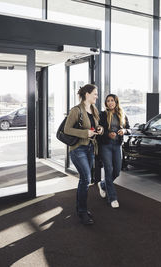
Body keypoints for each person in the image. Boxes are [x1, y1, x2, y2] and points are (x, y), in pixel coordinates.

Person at [64, 84, 103, 225]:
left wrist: (99, 129)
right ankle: (82, 212)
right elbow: (66, 129)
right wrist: (84, 133)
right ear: (87, 94)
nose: (97, 96)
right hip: (78, 148)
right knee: (86, 179)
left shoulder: (94, 109)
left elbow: (97, 125)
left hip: (90, 148)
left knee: (85, 180)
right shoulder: (76, 110)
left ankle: (81, 209)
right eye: (95, 93)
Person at [98, 94, 131, 208]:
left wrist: (124, 131)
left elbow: (129, 129)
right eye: (108, 101)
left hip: (117, 145)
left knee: (116, 171)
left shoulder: (122, 114)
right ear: (106, 103)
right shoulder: (102, 115)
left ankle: (102, 184)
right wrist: (108, 134)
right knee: (109, 169)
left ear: (116, 102)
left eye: (112, 100)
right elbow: (100, 132)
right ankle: (112, 198)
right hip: (106, 145)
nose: (110, 102)